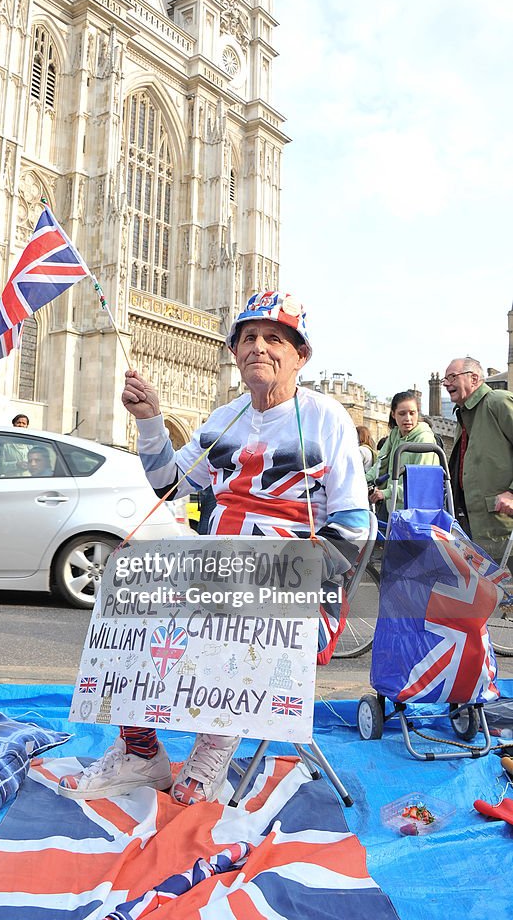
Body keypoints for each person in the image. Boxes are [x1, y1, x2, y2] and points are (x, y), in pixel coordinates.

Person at [57, 290, 369, 805]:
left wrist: (300, 586)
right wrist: (150, 421)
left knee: (225, 611)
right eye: (248, 337)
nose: (259, 347)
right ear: (234, 351)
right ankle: (140, 752)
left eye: (274, 338)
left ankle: (212, 752)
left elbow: (354, 524)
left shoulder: (325, 417)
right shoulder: (225, 417)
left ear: (300, 354)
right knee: (126, 600)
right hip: (214, 568)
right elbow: (170, 486)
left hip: (292, 585)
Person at [443, 357, 513, 560]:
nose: (446, 383)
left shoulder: (497, 402)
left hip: (503, 523)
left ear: (474, 378)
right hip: (474, 525)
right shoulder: (463, 415)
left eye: (452, 377)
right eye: (445, 379)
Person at [367, 391, 438, 516]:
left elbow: (420, 481)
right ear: (393, 414)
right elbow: (380, 462)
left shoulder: (424, 439)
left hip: (417, 511)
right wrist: (361, 480)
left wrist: (387, 493)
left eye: (412, 413)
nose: (408, 419)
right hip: (394, 508)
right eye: (402, 413)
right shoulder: (395, 434)